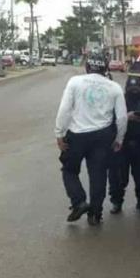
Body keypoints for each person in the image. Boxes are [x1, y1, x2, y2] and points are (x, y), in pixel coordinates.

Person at [54, 52, 127, 226]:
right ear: (105, 67)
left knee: (69, 170)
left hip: (77, 135)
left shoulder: (75, 82)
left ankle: (79, 202)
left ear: (87, 66)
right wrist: (119, 138)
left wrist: (59, 133)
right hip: (102, 137)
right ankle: (95, 214)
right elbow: (122, 118)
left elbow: (64, 109)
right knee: (98, 175)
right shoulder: (114, 87)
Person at [108, 81, 140, 214]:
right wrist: (127, 117)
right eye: (131, 88)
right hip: (121, 144)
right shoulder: (118, 101)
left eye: (136, 88)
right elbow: (109, 120)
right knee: (118, 177)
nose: (134, 91)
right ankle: (116, 202)